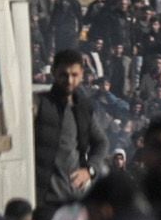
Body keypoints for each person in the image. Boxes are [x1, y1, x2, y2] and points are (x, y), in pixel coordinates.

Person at [33, 49, 110, 205]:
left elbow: (102, 142)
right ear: (54, 72)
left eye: (74, 75)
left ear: (81, 74)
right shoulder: (39, 104)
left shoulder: (83, 108)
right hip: (43, 199)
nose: (69, 80)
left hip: (74, 198)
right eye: (64, 75)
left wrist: (90, 170)